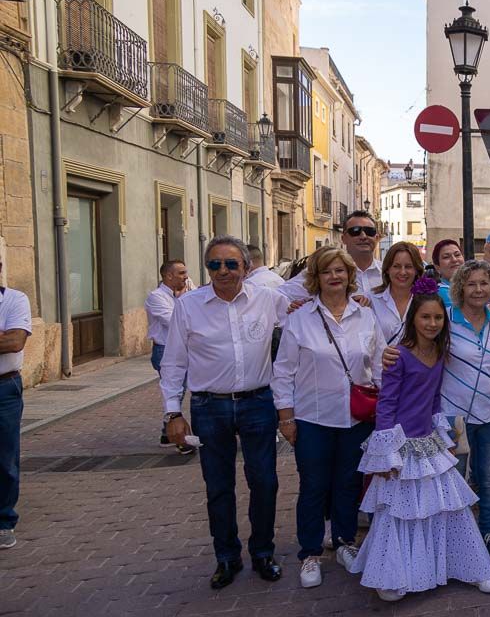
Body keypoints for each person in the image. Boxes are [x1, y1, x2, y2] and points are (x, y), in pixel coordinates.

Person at [349, 277, 490, 600]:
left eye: (437, 318)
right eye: (425, 317)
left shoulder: (441, 352)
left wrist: (441, 434)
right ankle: (393, 573)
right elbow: (387, 406)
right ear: (413, 320)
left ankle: (470, 566)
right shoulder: (399, 356)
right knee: (400, 512)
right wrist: (387, 452)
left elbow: (433, 399)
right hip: (401, 445)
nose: (432, 323)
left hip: (429, 441)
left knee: (448, 505)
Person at [161, 236, 289, 589]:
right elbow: (173, 362)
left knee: (264, 481)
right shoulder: (189, 306)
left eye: (231, 264)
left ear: (247, 268)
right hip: (208, 406)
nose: (222, 271)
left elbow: (310, 305)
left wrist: (358, 298)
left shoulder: (269, 299)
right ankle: (227, 558)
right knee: (218, 487)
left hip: (258, 402)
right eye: (214, 264)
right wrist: (172, 412)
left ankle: (263, 552)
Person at [271, 246, 382, 589]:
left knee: (348, 484)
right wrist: (286, 418)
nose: (335, 277)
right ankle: (309, 553)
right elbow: (283, 371)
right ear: (316, 278)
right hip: (312, 417)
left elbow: (376, 365)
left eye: (340, 271)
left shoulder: (365, 315)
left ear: (350, 276)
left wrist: (383, 407)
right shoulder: (300, 318)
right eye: (327, 271)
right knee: (314, 486)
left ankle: (346, 542)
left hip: (356, 418)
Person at [443, 260, 490, 560]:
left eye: (484, 283)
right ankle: (457, 536)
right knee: (455, 476)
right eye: (471, 284)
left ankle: (489, 530)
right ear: (460, 288)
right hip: (454, 414)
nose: (478, 289)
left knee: (489, 475)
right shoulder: (444, 319)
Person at [281, 211, 382, 301]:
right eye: (355, 231)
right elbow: (281, 295)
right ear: (343, 238)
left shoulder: (389, 273)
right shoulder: (321, 272)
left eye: (369, 231)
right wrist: (293, 307)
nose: (363, 236)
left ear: (376, 237)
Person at [145, 259, 191, 451]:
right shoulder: (156, 297)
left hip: (183, 348)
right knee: (175, 389)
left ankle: (168, 431)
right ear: (168, 276)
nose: (186, 277)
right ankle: (176, 434)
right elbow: (175, 321)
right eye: (181, 273)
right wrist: (183, 299)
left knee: (180, 389)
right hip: (164, 350)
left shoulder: (185, 291)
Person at [0, 265, 31, 551]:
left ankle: (4, 521)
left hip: (4, 388)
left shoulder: (14, 300)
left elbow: (14, 341)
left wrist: (6, 337)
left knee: (5, 458)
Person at [371, 241, 422, 347]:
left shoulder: (426, 301)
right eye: (396, 266)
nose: (402, 272)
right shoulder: (371, 300)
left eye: (408, 266)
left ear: (417, 270)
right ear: (387, 269)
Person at [431, 239, 465, 305]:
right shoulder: (441, 292)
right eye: (446, 257)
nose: (454, 260)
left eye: (457, 255)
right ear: (437, 267)